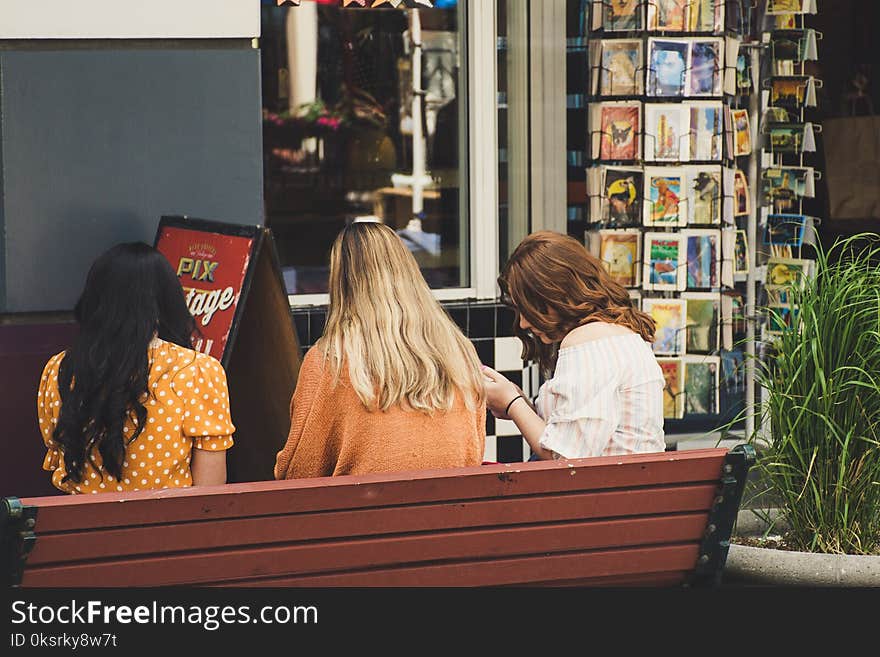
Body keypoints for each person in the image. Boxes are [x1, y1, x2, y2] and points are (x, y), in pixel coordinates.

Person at [274, 221, 485, 479]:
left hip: (362, 516)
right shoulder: (460, 354)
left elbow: (299, 473)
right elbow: (473, 453)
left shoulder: (330, 361)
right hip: (455, 514)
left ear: (341, 284)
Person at [37, 243, 234, 494]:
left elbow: (57, 458)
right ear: (166, 300)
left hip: (81, 530)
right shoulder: (198, 371)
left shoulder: (59, 369)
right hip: (170, 530)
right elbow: (210, 491)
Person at [482, 231, 666, 460]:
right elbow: (580, 433)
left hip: (605, 493)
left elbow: (565, 458)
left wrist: (512, 403)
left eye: (528, 309)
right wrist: (523, 405)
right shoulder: (618, 334)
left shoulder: (588, 341)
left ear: (556, 295)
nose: (523, 322)